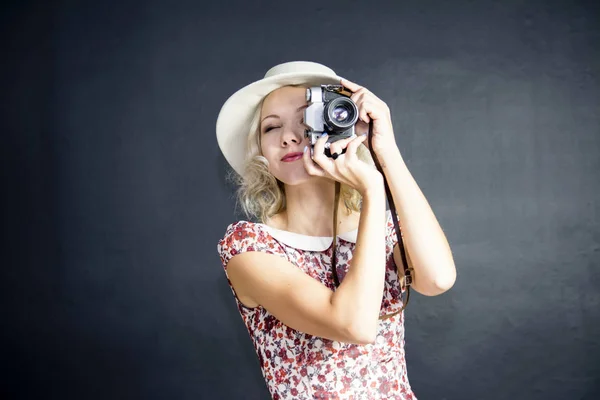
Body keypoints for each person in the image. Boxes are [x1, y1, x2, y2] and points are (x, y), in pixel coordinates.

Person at [216, 61, 456, 399]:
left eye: (307, 120)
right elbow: (353, 324)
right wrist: (372, 192)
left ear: (339, 126)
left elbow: (437, 279)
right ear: (260, 151)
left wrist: (384, 150)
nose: (288, 137)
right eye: (271, 128)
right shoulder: (250, 246)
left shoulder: (380, 228)